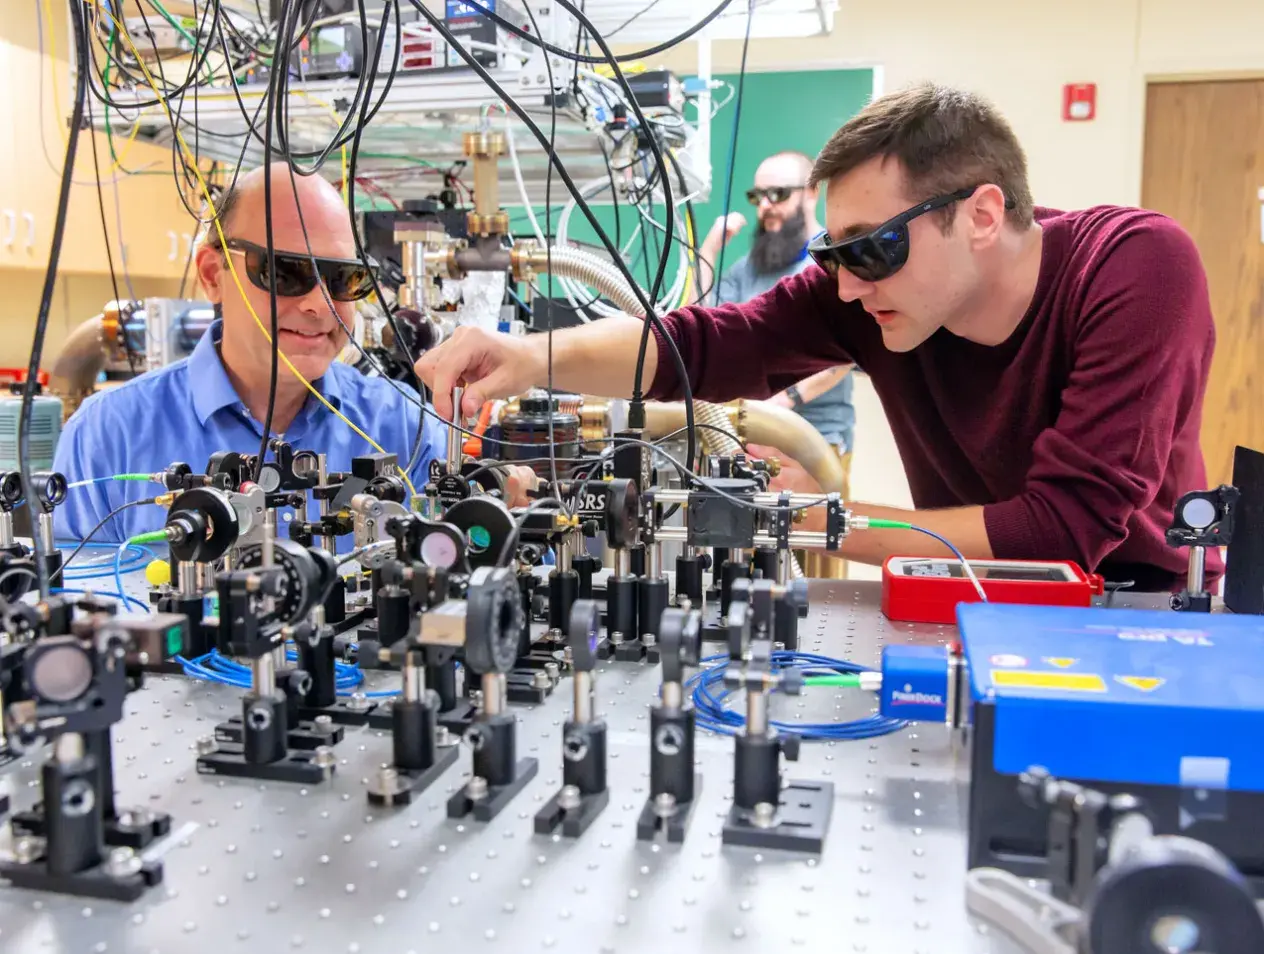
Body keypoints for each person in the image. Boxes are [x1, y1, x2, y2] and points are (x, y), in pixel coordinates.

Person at [416, 83, 1219, 590]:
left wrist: (785, 516)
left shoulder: (1136, 268)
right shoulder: (867, 294)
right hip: (979, 592)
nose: (848, 287)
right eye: (834, 255)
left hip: (1141, 609)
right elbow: (708, 344)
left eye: (871, 249)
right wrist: (532, 358)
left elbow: (1064, 529)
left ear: (980, 215)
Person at [53, 164, 535, 546]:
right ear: (213, 274)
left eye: (343, 279)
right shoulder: (107, 437)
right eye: (284, 272)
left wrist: (509, 511)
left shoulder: (402, 427)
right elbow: (74, 608)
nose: (319, 305)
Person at [689, 150, 856, 477]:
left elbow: (850, 348)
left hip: (816, 441)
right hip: (754, 437)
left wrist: (788, 397)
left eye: (778, 194)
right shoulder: (748, 269)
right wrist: (708, 250)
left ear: (811, 192)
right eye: (757, 197)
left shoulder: (836, 262)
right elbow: (698, 326)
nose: (765, 206)